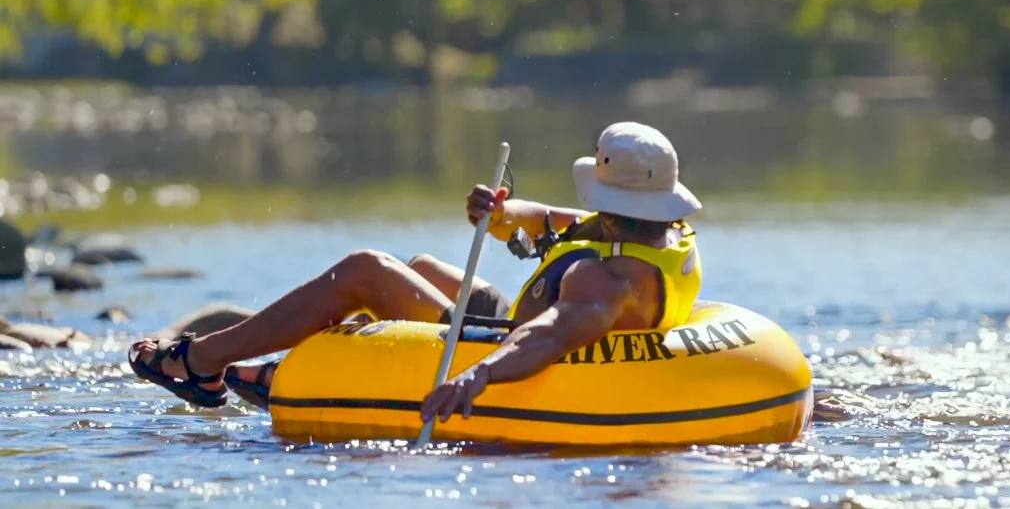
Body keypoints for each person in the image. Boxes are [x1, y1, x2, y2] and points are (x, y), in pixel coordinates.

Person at [127, 121, 704, 425]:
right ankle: (299, 361)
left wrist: (478, 377)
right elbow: (558, 221)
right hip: (517, 315)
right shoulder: (661, 234)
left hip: (502, 342)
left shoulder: (608, 283)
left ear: (613, 204)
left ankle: (203, 363)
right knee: (423, 267)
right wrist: (500, 214)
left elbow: (549, 335)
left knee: (366, 270)